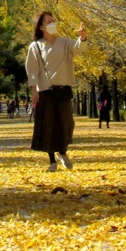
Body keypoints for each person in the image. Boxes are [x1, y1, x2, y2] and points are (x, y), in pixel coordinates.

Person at [26, 12, 88, 172]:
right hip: (45, 90)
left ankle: (62, 151)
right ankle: (52, 160)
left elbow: (78, 48)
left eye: (54, 21)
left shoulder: (64, 43)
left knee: (67, 124)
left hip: (63, 89)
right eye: (49, 22)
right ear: (41, 27)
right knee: (49, 126)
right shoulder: (36, 46)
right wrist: (34, 90)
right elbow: (32, 69)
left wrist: (82, 38)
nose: (53, 24)